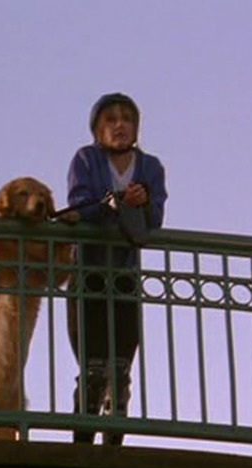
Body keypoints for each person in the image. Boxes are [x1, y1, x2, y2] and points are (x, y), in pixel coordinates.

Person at [66, 92, 168, 445]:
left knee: (121, 360)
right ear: (98, 129)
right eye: (110, 120)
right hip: (89, 269)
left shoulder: (150, 166)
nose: (119, 125)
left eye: (126, 119)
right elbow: (79, 204)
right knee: (92, 360)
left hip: (125, 271)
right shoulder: (86, 158)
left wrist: (141, 204)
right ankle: (83, 433)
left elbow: (155, 218)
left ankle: (114, 428)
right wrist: (116, 203)